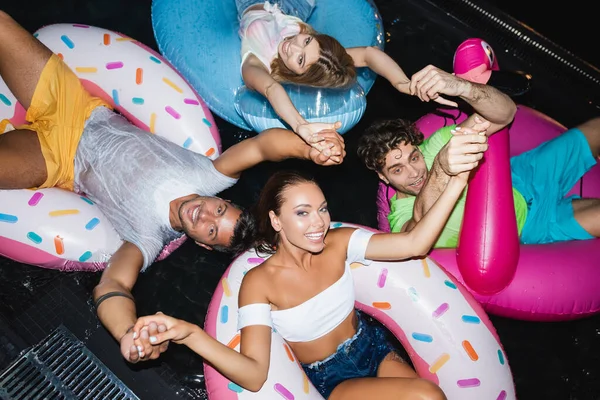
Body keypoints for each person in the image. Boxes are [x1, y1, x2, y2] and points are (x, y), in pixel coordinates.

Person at [0, 9, 346, 363]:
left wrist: (128, 333)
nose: (205, 215)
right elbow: (262, 148)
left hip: (54, 159)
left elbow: (113, 286)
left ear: (202, 245)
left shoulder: (146, 237)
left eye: (211, 230)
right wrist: (308, 147)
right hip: (76, 107)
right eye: (219, 209)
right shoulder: (208, 176)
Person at [131, 162, 480, 399]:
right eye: (302, 213)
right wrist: (189, 333)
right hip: (333, 379)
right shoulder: (258, 283)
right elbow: (253, 374)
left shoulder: (339, 243)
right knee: (428, 395)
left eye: (322, 209)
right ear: (276, 220)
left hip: (372, 346)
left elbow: (414, 244)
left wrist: (458, 180)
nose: (318, 223)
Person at [357, 65, 600, 248]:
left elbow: (505, 114)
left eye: (413, 158)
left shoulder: (437, 144)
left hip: (523, 175)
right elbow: (417, 228)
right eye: (397, 170)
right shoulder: (400, 217)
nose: (415, 173)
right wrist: (441, 169)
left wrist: (461, 86)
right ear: (384, 177)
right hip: (532, 223)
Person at [237, 0, 458, 146]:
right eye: (306, 41)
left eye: (300, 59)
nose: (292, 46)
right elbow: (369, 55)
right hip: (294, 7)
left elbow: (271, 88)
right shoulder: (310, 46)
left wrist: (299, 125)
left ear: (299, 75)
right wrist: (403, 83)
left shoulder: (257, 63)